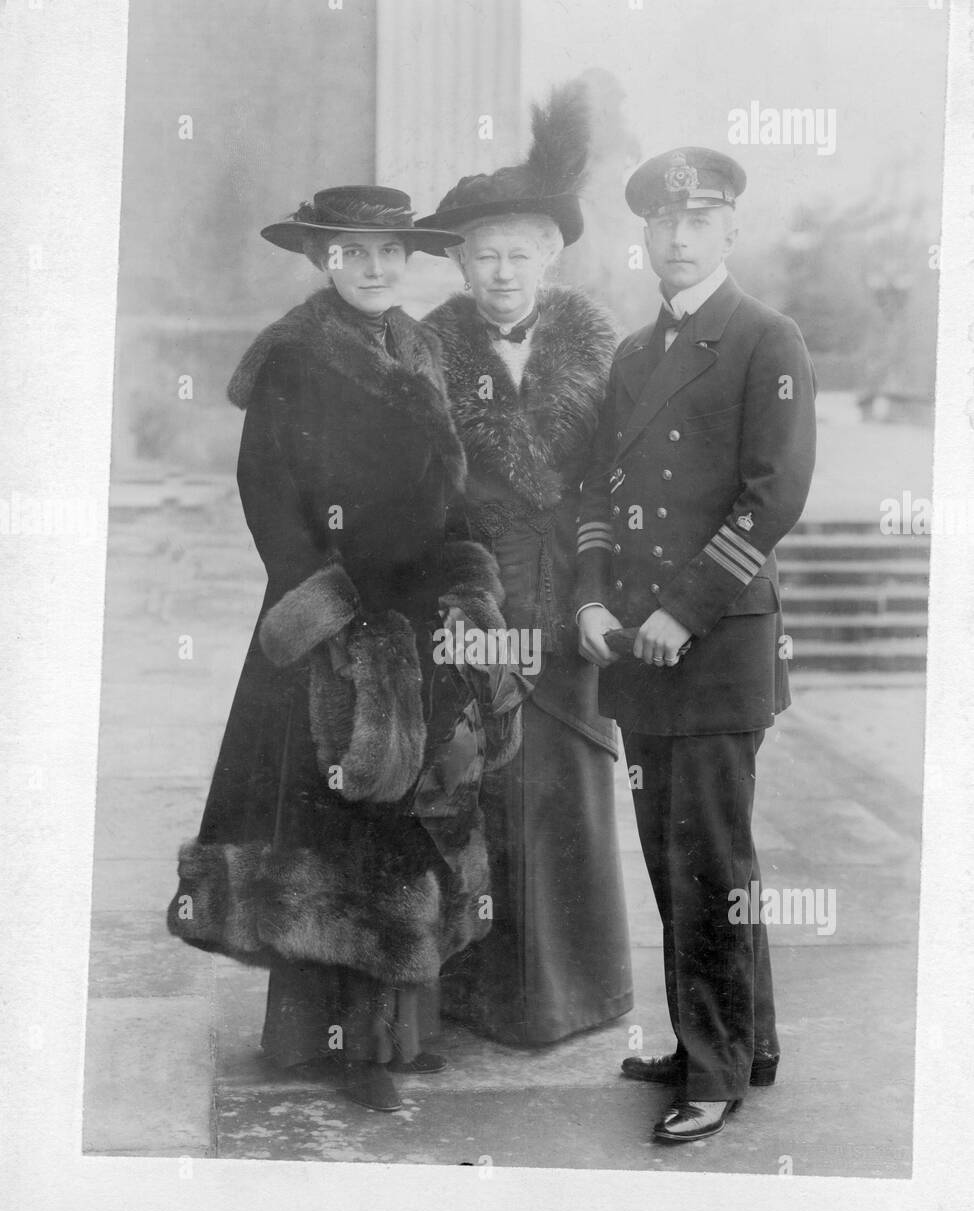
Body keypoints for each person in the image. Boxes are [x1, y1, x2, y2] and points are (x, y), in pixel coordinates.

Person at [167, 185, 527, 1113]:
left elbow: (452, 487)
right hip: (333, 625)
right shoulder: (294, 356)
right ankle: (323, 1040)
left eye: (388, 253)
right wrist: (332, 618)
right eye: (354, 252)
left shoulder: (422, 347)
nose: (372, 268)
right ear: (323, 259)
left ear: (407, 261)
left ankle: (395, 1032)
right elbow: (267, 493)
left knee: (407, 814)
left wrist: (470, 579)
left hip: (419, 621)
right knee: (329, 823)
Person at [576, 148, 817, 1142]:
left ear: (728, 232)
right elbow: (595, 494)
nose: (676, 240)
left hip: (713, 642)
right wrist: (591, 598)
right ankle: (730, 1039)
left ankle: (710, 1070)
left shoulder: (766, 339)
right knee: (669, 849)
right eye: (661, 225)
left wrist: (682, 608)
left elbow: (774, 497)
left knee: (707, 858)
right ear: (644, 237)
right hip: (634, 643)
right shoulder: (632, 356)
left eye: (697, 222)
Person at [417, 84, 633, 1044]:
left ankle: (578, 995)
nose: (501, 271)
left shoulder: (600, 345)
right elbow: (417, 485)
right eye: (484, 254)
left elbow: (617, 486)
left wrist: (598, 592)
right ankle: (481, 993)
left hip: (573, 594)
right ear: (462, 262)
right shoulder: (431, 348)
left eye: (519, 252)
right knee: (481, 787)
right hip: (476, 596)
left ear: (550, 253)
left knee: (569, 790)